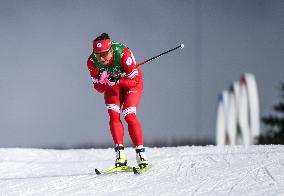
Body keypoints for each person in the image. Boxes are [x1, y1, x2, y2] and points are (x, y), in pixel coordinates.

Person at [87, 33, 149, 169]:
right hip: (112, 86)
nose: (101, 58)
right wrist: (104, 81)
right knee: (113, 114)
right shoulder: (92, 62)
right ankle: (120, 155)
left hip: (130, 83)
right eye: (98, 55)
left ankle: (140, 155)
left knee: (129, 114)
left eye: (104, 54)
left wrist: (119, 80)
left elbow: (136, 81)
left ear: (110, 50)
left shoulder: (123, 54)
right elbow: (98, 88)